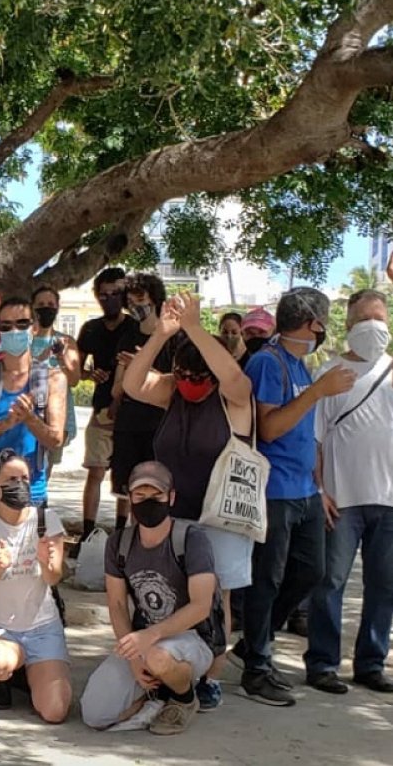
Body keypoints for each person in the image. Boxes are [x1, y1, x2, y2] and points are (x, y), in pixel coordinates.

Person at [123, 290, 256, 711]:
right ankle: (172, 662)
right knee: (172, 594)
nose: (189, 381)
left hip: (221, 517)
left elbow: (236, 379)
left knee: (218, 599)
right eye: (181, 372)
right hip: (173, 515)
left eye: (197, 373)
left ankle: (211, 675)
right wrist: (162, 334)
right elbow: (132, 383)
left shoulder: (234, 398)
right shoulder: (172, 392)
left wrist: (197, 329)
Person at [233, 287, 356, 706]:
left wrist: (319, 488)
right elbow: (269, 428)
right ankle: (256, 667)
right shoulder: (269, 363)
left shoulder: (300, 366)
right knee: (267, 578)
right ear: (311, 324)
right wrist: (317, 391)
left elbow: (309, 436)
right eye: (320, 323)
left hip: (304, 490)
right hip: (275, 490)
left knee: (310, 571)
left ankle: (255, 643)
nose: (322, 331)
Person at [0, 296, 67, 689]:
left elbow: (55, 438)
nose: (14, 332)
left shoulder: (51, 378)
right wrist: (6, 421)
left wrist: (30, 420)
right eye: (5, 325)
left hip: (33, 495)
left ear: (33, 326)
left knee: (38, 573)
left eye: (21, 324)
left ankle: (31, 656)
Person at [81, 462, 218, 736]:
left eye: (156, 496)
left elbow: (201, 606)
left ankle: (183, 698)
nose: (147, 503)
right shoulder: (118, 543)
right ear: (129, 498)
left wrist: (150, 636)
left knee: (158, 657)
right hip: (143, 639)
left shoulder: (192, 540)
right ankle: (156, 695)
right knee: (95, 714)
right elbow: (117, 604)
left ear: (171, 497)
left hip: (191, 637)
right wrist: (131, 654)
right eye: (140, 497)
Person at [305, 289, 393, 694]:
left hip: (389, 501)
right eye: (365, 319)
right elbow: (315, 441)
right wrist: (319, 489)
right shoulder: (330, 373)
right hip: (341, 500)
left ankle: (370, 663)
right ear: (349, 324)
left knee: (385, 584)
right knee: (330, 581)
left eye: (380, 318)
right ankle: (322, 663)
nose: (374, 327)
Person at [0, 450, 70, 721]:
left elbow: (53, 578)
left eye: (24, 478)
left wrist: (46, 562)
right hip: (0, 629)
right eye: (11, 480)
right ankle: (9, 674)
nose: (19, 485)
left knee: (55, 712)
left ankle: (31, 670)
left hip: (42, 628)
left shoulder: (47, 521)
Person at [76, 267, 139, 544]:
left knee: (124, 477)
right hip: (101, 410)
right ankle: (87, 533)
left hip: (132, 411)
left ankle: (122, 534)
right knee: (95, 472)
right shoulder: (90, 329)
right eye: (104, 294)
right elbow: (76, 371)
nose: (109, 299)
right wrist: (91, 375)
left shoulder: (136, 327)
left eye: (115, 293)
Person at [110, 273, 172, 530]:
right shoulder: (127, 337)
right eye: (131, 300)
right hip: (129, 426)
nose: (136, 305)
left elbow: (174, 387)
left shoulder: (174, 339)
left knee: (160, 493)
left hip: (160, 428)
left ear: (155, 299)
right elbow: (117, 389)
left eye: (141, 299)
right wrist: (129, 375)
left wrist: (145, 373)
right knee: (129, 490)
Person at [29, 285, 80, 480]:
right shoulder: (24, 339)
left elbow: (74, 380)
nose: (46, 308)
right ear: (32, 308)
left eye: (50, 304)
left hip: (58, 415)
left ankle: (40, 504)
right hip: (29, 411)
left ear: (58, 307)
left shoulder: (67, 341)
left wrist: (62, 358)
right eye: (41, 304)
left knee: (45, 469)